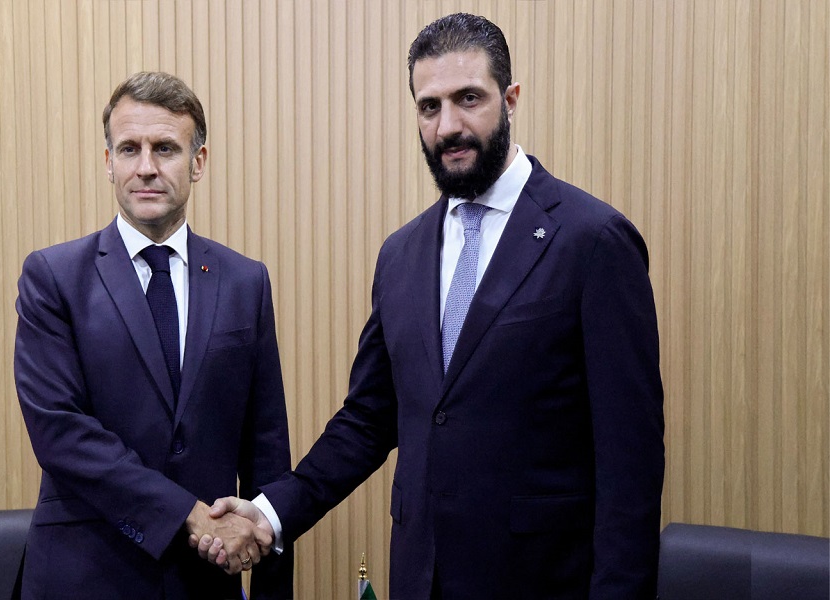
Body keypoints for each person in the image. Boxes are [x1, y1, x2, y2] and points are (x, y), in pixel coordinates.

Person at [198, 13, 665, 599]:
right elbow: (369, 420)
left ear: (510, 99)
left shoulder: (593, 241)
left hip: (543, 582)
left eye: (469, 99)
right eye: (429, 107)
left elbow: (631, 462)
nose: (449, 126)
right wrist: (271, 512)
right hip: (421, 579)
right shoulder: (401, 254)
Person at [14, 71, 293, 599]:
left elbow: (267, 450)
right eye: (129, 149)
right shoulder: (54, 277)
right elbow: (59, 432)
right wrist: (188, 514)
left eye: (165, 148)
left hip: (205, 583)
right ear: (108, 162)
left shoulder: (245, 282)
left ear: (198, 162)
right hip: (85, 577)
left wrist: (271, 590)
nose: (146, 167)